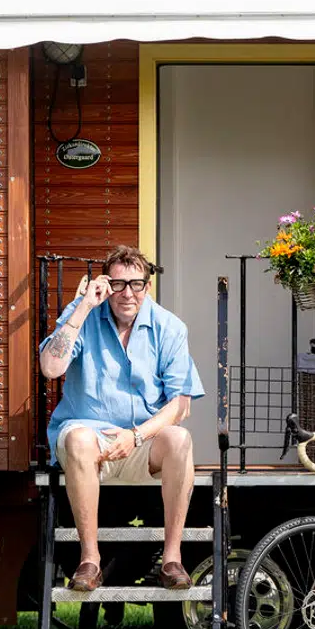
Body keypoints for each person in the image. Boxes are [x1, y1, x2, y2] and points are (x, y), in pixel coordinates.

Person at [39, 246, 204, 591]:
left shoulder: (169, 327)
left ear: (148, 286)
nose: (127, 293)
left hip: (142, 443)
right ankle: (89, 561)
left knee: (180, 438)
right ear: (105, 284)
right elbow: (51, 367)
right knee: (78, 437)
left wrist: (136, 436)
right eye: (118, 284)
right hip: (90, 445)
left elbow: (180, 405)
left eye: (136, 284)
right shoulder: (83, 314)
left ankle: (172, 560)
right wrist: (84, 304)